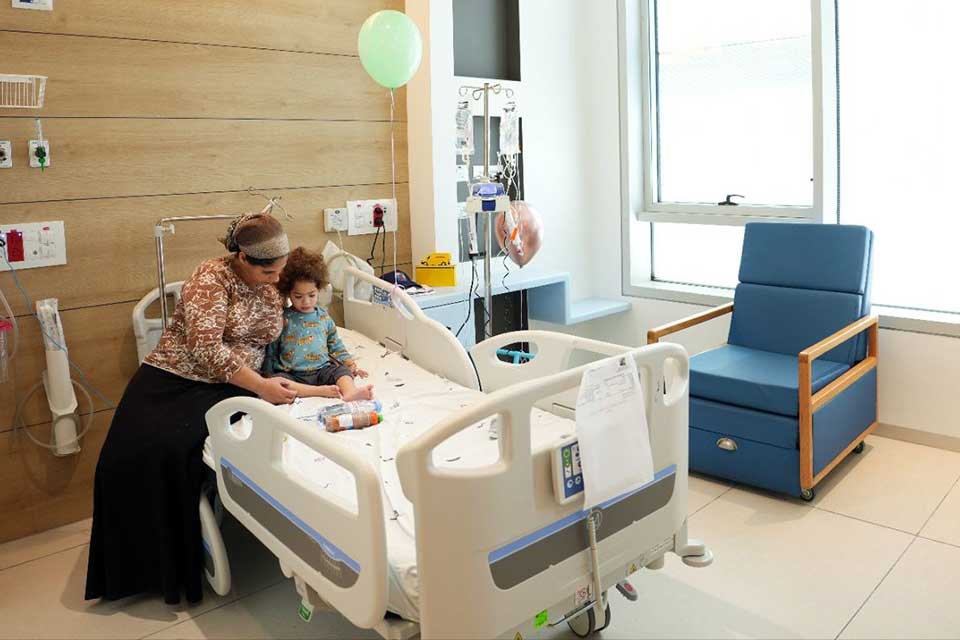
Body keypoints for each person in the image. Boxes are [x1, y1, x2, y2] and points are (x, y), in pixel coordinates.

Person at [85, 212, 297, 605]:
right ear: (243, 259)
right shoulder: (210, 279)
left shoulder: (271, 282)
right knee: (127, 458)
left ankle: (181, 554)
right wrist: (262, 386)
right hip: (175, 379)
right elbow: (205, 349)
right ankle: (137, 570)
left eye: (280, 271)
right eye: (269, 273)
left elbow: (291, 315)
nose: (276, 280)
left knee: (180, 458)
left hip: (236, 383)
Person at [264, 247, 373, 401]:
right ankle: (317, 391)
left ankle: (350, 392)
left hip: (322, 370)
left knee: (342, 372)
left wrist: (349, 363)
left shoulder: (323, 317)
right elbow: (272, 347)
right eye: (298, 296)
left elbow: (335, 344)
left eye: (312, 295)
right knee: (280, 383)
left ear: (319, 289)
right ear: (289, 292)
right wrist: (268, 373)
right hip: (292, 373)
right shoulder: (283, 317)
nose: (306, 301)